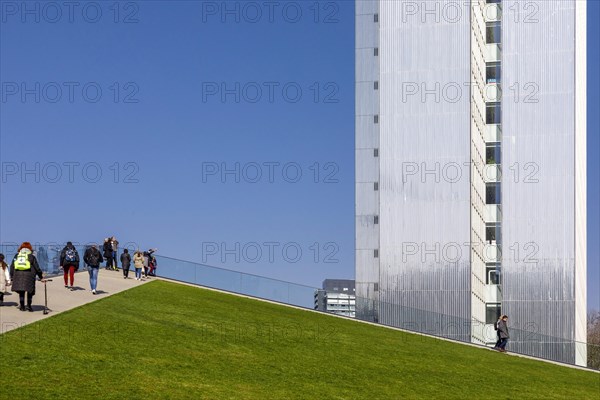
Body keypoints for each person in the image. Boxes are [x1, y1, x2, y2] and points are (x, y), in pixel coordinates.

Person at [9, 242, 45, 312]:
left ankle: (22, 306)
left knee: (21, 292)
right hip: (29, 275)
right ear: (30, 248)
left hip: (18, 275)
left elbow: (12, 266)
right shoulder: (31, 256)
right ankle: (29, 306)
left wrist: (12, 276)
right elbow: (37, 267)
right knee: (30, 292)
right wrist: (41, 277)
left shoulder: (17, 255)